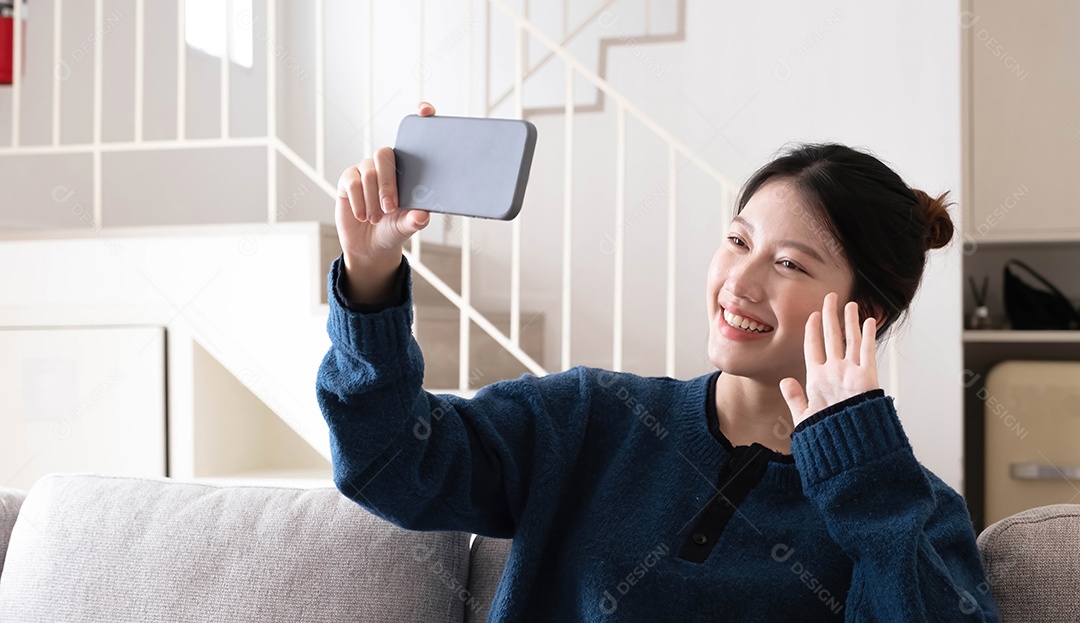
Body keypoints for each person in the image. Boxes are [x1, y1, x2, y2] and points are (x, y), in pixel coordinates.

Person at [316, 101, 1000, 621]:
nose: (741, 280)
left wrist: (864, 474)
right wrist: (370, 276)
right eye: (738, 240)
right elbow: (393, 464)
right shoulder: (589, 418)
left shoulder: (911, 509)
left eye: (789, 263)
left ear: (864, 314)